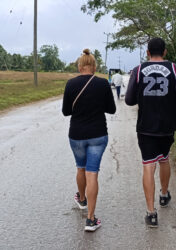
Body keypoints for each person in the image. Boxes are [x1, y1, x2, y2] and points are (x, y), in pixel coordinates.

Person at [125, 38, 176, 227]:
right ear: (165, 52)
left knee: (148, 165)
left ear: (147, 53)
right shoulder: (175, 70)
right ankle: (164, 195)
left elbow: (129, 101)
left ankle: (151, 213)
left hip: (145, 126)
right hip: (167, 126)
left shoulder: (138, 70)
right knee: (164, 158)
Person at [62, 49, 116, 232]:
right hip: (98, 134)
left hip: (76, 135)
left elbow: (66, 112)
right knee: (92, 173)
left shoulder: (70, 84)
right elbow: (112, 109)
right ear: (94, 67)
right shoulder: (102, 83)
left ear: (79, 67)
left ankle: (82, 199)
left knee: (80, 168)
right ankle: (91, 220)